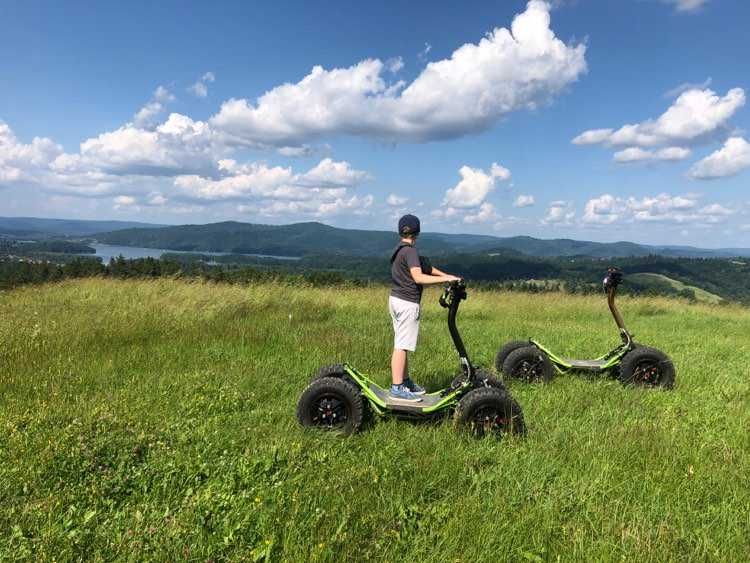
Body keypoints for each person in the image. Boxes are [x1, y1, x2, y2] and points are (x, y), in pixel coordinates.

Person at [389, 214, 460, 403]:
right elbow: (419, 276)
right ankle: (397, 388)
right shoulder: (410, 251)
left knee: (401, 342)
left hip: (395, 299)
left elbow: (426, 267)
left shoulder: (400, 250)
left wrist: (448, 275)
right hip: (407, 303)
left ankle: (404, 381)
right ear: (418, 232)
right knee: (402, 346)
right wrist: (445, 279)